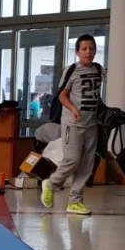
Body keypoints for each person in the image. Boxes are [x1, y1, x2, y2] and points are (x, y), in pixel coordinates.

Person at [41, 34, 103, 217]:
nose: (88, 52)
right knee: (72, 159)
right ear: (77, 52)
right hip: (72, 124)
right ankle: (50, 184)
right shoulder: (72, 70)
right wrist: (73, 109)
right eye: (84, 49)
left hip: (91, 124)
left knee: (87, 165)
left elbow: (95, 95)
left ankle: (75, 201)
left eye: (91, 49)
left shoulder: (98, 69)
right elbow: (62, 95)